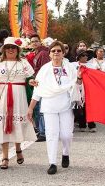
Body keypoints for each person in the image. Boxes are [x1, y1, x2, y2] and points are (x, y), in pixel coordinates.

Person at [27, 41, 81, 175]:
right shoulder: (44, 70)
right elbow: (37, 90)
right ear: (49, 54)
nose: (56, 53)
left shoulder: (70, 68)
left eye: (59, 51)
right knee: (51, 135)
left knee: (66, 135)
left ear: (63, 53)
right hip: (49, 106)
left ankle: (65, 153)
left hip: (66, 105)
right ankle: (52, 163)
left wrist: (80, 78)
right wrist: (31, 108)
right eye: (53, 51)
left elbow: (77, 84)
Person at [0, 37, 36, 170]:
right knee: (4, 123)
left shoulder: (23, 62)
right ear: (3, 49)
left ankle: (18, 149)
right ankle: (4, 157)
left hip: (18, 95)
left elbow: (30, 77)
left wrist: (31, 81)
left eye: (13, 47)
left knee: (17, 123)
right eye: (8, 47)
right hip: (2, 94)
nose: (10, 49)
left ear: (17, 50)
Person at [72, 50, 96, 132]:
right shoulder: (73, 65)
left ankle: (91, 125)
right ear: (79, 57)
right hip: (77, 87)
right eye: (83, 55)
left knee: (89, 106)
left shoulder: (92, 65)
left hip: (88, 88)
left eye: (86, 55)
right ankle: (82, 124)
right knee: (80, 107)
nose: (85, 57)